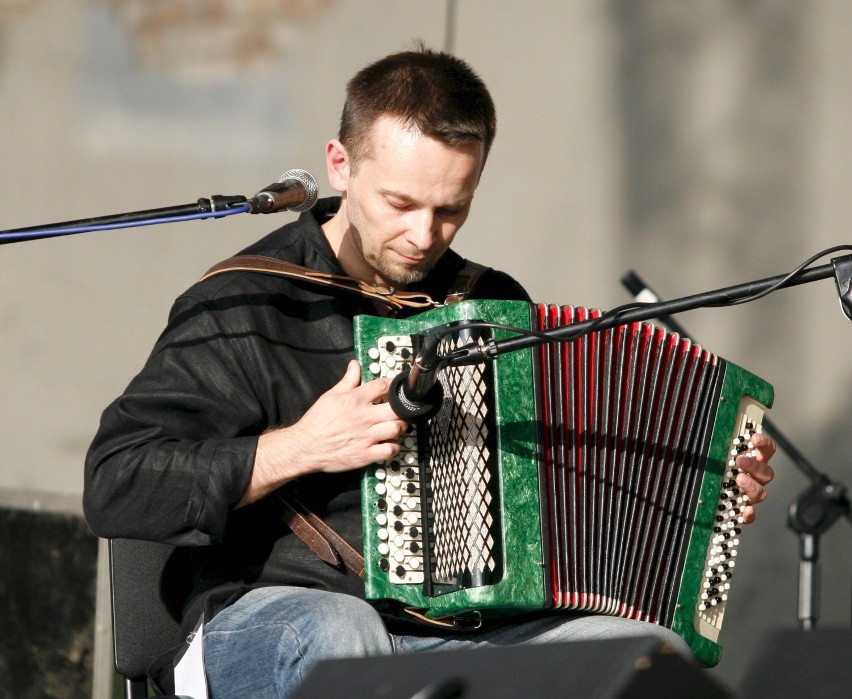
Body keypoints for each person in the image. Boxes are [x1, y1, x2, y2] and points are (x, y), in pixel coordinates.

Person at [84, 45, 776, 698]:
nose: (424, 235)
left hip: (458, 635)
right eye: (400, 203)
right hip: (266, 622)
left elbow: (559, 483)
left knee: (642, 649)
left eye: (452, 208)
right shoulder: (246, 304)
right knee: (340, 633)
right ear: (340, 164)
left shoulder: (491, 303)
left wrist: (705, 488)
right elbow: (118, 483)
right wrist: (303, 445)